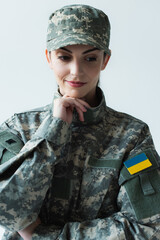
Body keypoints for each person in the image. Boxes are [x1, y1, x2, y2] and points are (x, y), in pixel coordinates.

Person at [0, 4, 160, 240]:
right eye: (64, 57)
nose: (76, 71)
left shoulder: (132, 136)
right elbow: (7, 212)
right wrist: (52, 134)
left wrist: (44, 235)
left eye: (90, 58)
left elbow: (148, 229)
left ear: (105, 60)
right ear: (49, 58)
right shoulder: (18, 129)